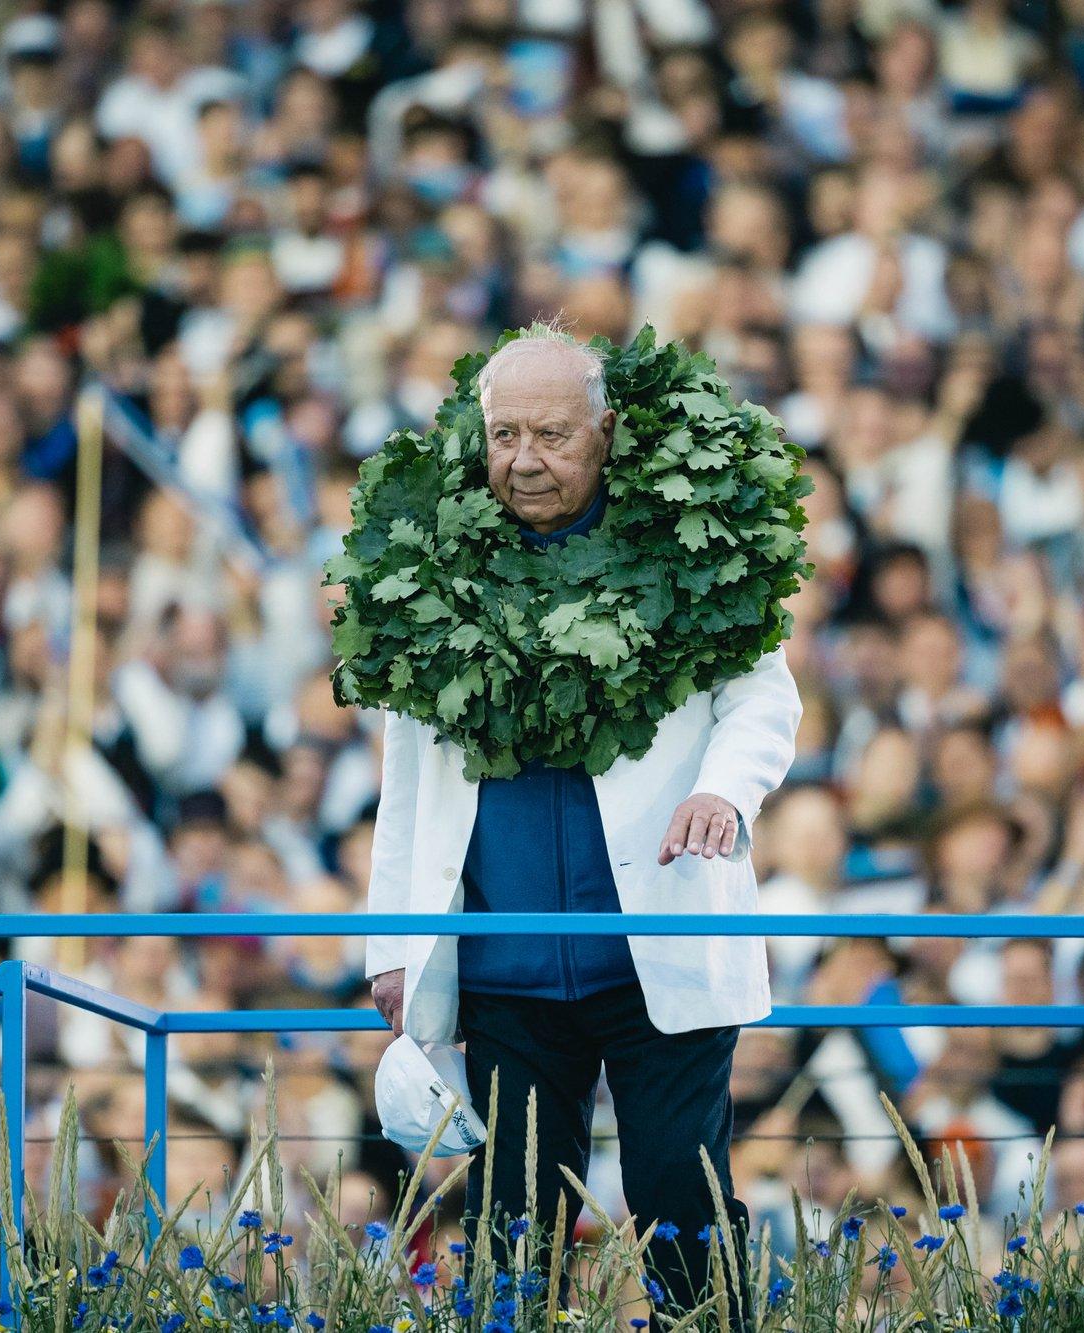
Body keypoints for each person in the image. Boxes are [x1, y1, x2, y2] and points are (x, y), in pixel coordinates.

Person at [362, 330, 802, 1309]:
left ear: (606, 431)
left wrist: (720, 793)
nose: (524, 459)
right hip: (507, 967)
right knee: (514, 1225)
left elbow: (762, 701)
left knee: (677, 1203)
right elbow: (408, 782)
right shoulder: (430, 573)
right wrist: (391, 941)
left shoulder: (699, 548)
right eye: (505, 432)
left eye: (552, 434)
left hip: (662, 953)